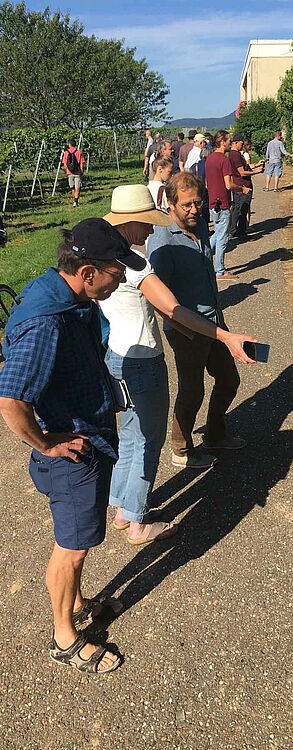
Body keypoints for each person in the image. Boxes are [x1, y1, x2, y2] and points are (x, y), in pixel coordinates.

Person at [0, 218, 148, 674]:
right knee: (73, 547)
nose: (122, 277)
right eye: (115, 270)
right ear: (86, 272)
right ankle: (64, 638)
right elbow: (10, 400)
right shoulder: (47, 324)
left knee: (77, 538)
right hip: (74, 451)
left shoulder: (64, 293)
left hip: (87, 436)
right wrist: (47, 443)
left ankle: (77, 601)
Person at [100, 185, 255, 535]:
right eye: (147, 223)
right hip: (143, 359)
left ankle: (123, 508)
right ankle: (138, 521)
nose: (152, 229)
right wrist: (224, 336)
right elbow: (172, 307)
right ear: (132, 220)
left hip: (118, 354)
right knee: (148, 441)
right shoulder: (135, 265)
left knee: (129, 434)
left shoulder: (100, 259)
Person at [148, 172, 250, 467]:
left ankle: (215, 434)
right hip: (187, 330)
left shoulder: (200, 227)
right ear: (170, 204)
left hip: (214, 321)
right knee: (192, 390)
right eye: (187, 205)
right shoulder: (162, 243)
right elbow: (158, 299)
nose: (195, 210)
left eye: (198, 203)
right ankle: (180, 447)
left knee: (229, 379)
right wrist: (183, 330)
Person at [205, 130, 251, 281]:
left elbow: (207, 183)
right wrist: (242, 189)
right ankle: (220, 270)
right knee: (223, 237)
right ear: (222, 142)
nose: (230, 143)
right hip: (223, 203)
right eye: (229, 140)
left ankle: (201, 255)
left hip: (213, 202)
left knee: (217, 234)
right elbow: (229, 184)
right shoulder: (224, 160)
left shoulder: (209, 159)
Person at [228, 134, 264, 238]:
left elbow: (245, 167)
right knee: (242, 210)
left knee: (237, 208)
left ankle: (234, 230)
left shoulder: (234, 154)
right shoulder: (236, 155)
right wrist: (256, 172)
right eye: (241, 143)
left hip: (239, 184)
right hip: (243, 185)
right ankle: (240, 233)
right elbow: (242, 172)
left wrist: (256, 165)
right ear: (236, 143)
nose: (242, 145)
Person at [62, 138, 85, 207]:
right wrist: (81, 170)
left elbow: (65, 163)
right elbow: (82, 162)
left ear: (69, 144)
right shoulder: (79, 152)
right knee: (77, 187)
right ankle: (76, 201)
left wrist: (67, 170)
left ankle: (74, 200)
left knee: (72, 187)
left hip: (70, 173)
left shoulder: (66, 153)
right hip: (77, 172)